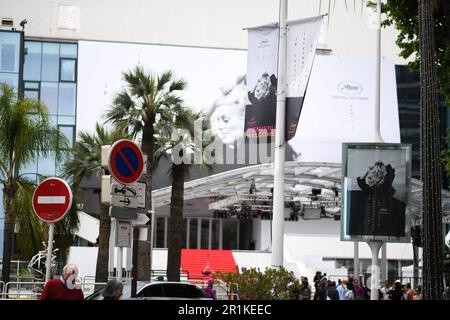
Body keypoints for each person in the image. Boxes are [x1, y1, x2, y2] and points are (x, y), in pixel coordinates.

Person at [348, 161, 406, 237]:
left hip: (381, 227)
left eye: (376, 174)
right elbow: (361, 181)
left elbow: (362, 182)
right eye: (370, 175)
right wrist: (368, 171)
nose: (370, 178)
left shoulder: (384, 188)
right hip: (372, 227)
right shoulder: (371, 190)